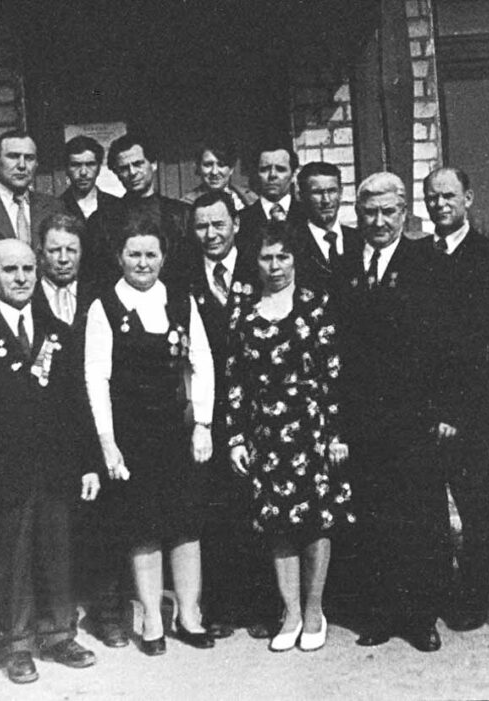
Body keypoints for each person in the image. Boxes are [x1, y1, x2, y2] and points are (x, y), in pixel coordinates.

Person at [0, 239, 102, 684]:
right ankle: (17, 643)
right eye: (10, 269)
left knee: (58, 553)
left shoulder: (58, 330)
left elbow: (79, 403)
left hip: (55, 466)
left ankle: (58, 633)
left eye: (28, 269)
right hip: (3, 471)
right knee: (12, 558)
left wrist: (89, 462)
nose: (21, 278)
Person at [84, 219, 216, 656]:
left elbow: (203, 362)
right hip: (132, 437)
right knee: (143, 530)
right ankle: (153, 620)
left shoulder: (180, 300)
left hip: (177, 432)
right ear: (120, 257)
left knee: (185, 526)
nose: (143, 263)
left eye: (151, 254)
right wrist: (107, 440)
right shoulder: (104, 306)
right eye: (134, 254)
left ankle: (190, 615)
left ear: (164, 257)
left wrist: (203, 424)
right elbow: (95, 378)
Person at [225, 220, 353, 653]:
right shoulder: (244, 312)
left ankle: (315, 609)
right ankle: (291, 612)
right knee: (277, 522)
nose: (275, 266)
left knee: (316, 519)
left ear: (296, 258)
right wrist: (237, 439)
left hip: (312, 430)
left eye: (283, 256)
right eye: (266, 257)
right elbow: (235, 381)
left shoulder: (315, 305)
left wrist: (337, 433)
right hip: (266, 432)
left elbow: (333, 374)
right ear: (255, 262)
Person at [341, 172, 449, 652]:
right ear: (358, 215)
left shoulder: (427, 261)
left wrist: (445, 409)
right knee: (373, 516)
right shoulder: (346, 265)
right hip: (364, 418)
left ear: (404, 214)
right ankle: (382, 612)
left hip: (414, 417)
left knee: (419, 516)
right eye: (370, 212)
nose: (379, 221)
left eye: (388, 212)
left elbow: (448, 344)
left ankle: (421, 617)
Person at [420, 167, 489, 631]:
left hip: (468, 413)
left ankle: (475, 597)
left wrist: (481, 412)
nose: (440, 204)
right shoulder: (418, 257)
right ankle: (439, 588)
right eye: (432, 197)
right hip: (423, 413)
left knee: (474, 510)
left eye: (448, 196)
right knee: (428, 511)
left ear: (468, 198)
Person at [32, 212, 132, 649]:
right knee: (52, 528)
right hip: (49, 431)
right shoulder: (25, 297)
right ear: (41, 253)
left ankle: (109, 613)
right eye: (54, 249)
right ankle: (53, 617)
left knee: (104, 522)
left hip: (97, 425)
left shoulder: (100, 297)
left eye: (71, 249)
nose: (62, 258)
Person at [187, 191, 276, 640]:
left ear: (236, 224)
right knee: (216, 507)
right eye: (202, 226)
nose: (211, 235)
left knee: (258, 504)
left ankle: (263, 606)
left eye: (218, 225)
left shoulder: (259, 268)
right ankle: (221, 606)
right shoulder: (185, 276)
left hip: (261, 406)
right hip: (208, 409)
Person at [85, 133, 192, 293]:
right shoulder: (102, 220)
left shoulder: (181, 214)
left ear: (153, 164)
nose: (132, 172)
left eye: (138, 164)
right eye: (124, 168)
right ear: (116, 174)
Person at [294, 161, 362, 297]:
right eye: (317, 193)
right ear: (301, 196)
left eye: (332, 191)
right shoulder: (293, 243)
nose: (326, 200)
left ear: (341, 193)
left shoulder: (360, 240)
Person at [0, 129, 64, 244]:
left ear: (36, 163)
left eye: (29, 158)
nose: (22, 165)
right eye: (13, 156)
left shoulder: (54, 207)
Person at [237, 141, 307, 250]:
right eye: (265, 169)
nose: (272, 175)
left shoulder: (308, 215)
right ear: (256, 174)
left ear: (293, 175)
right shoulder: (242, 221)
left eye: (280, 169)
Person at [58, 135, 120, 223]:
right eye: (76, 165)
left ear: (99, 168)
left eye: (90, 164)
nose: (83, 172)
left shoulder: (116, 205)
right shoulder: (56, 207)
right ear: (66, 169)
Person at [180, 141, 258, 211]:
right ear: (198, 167)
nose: (214, 172)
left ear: (231, 169)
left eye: (221, 165)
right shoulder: (185, 205)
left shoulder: (251, 198)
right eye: (208, 165)